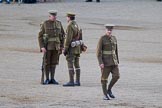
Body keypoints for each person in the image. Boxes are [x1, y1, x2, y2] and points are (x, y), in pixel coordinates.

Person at [38, 10, 65, 85]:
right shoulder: (45, 24)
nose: (54, 17)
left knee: (54, 63)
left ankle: (52, 78)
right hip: (48, 46)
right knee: (47, 63)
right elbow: (40, 36)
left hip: (56, 46)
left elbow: (62, 36)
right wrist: (42, 47)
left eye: (55, 16)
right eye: (53, 16)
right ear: (49, 16)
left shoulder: (59, 23)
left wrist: (62, 46)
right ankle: (47, 78)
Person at [96, 24, 120, 100]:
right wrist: (100, 62)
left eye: (110, 30)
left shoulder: (114, 38)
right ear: (105, 30)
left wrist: (117, 60)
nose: (109, 31)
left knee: (117, 76)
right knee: (104, 79)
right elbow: (98, 52)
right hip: (105, 62)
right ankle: (105, 94)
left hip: (114, 61)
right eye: (108, 30)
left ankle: (109, 89)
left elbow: (116, 51)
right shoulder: (102, 39)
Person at [63, 12, 85, 87]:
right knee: (77, 64)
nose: (66, 18)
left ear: (69, 17)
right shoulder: (76, 24)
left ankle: (71, 81)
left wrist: (65, 48)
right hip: (77, 47)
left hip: (72, 48)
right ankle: (77, 81)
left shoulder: (70, 25)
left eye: (67, 17)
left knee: (70, 63)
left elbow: (68, 38)